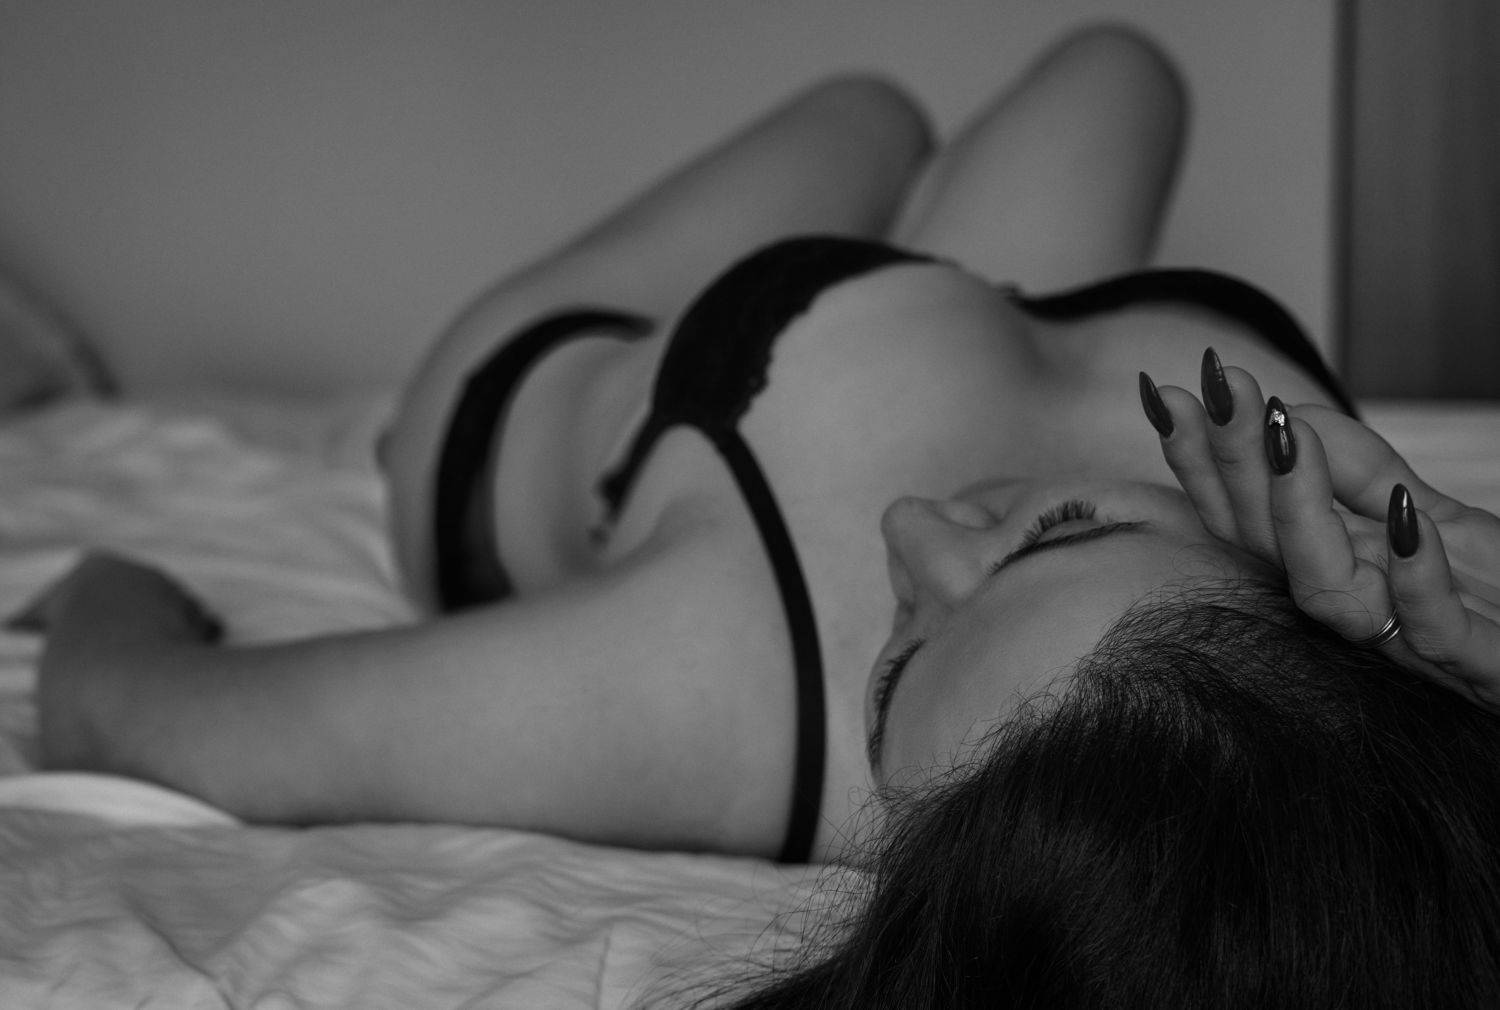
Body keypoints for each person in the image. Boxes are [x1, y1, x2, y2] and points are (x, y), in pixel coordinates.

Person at [20, 24, 1500, 1001]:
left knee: (860, 113)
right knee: (1120, 68)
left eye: (893, 674)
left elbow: (124, 710)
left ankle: (473, 419)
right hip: (958, 329)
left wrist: (109, 579)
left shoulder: (703, 686)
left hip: (567, 414)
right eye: (1055, 537)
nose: (911, 536)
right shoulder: (1357, 555)